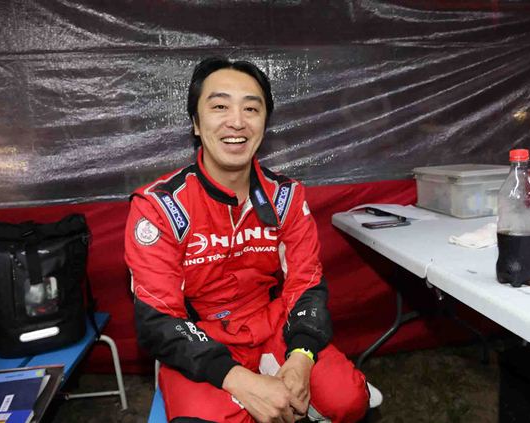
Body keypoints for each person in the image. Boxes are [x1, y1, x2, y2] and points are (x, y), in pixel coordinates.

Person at [125, 57, 375, 423]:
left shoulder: (286, 196)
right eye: (220, 106)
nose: (237, 121)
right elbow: (158, 320)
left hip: (274, 326)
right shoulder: (159, 206)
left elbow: (306, 283)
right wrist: (240, 382)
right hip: (201, 338)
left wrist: (302, 355)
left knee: (350, 400)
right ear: (196, 123)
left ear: (264, 124)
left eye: (251, 108)